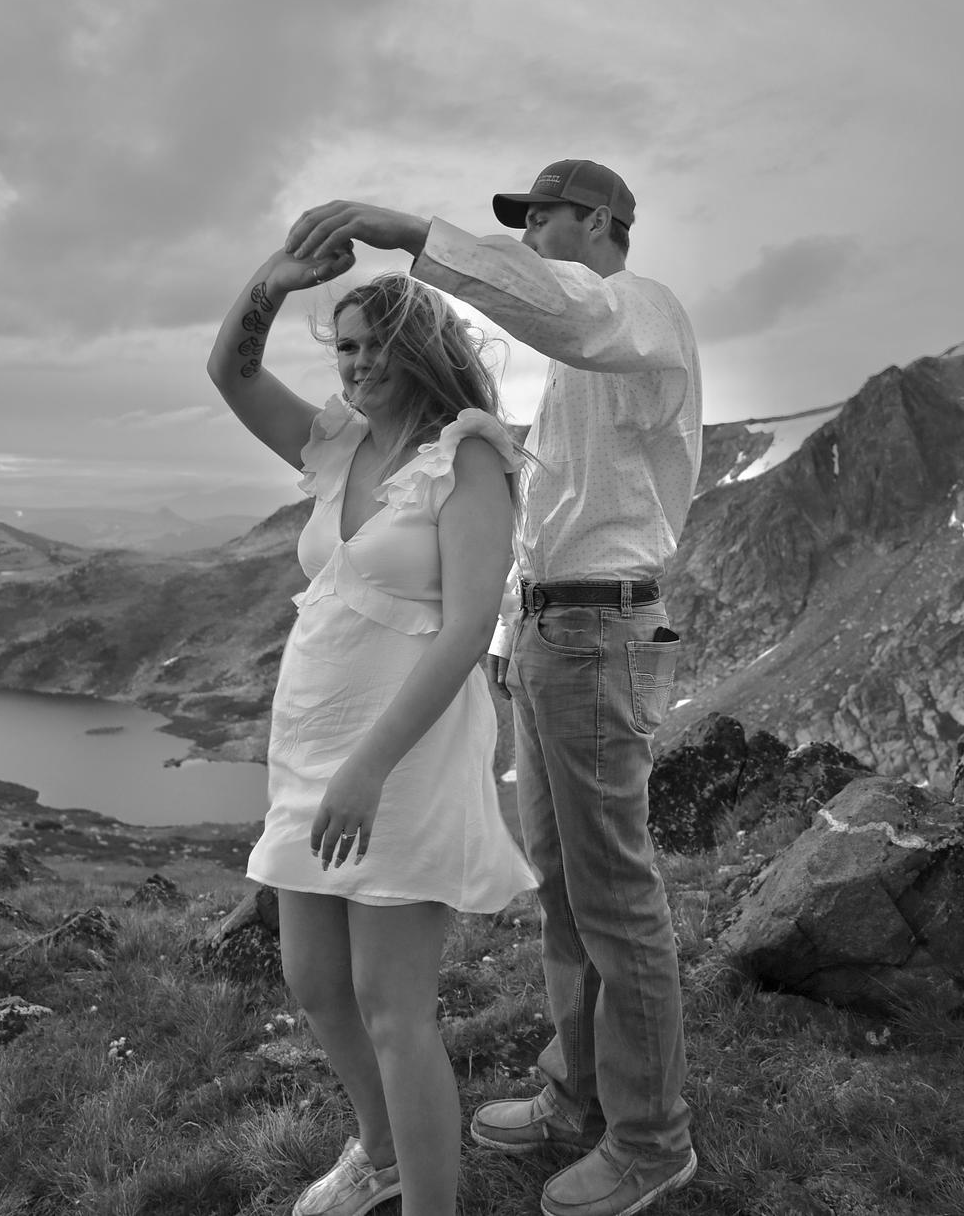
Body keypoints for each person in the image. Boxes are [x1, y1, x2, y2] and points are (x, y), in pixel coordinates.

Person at [285, 159, 703, 1216]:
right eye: (517, 222)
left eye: (541, 217)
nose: (526, 236)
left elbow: (562, 309)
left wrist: (407, 232)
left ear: (600, 222)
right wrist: (514, 634)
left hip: (599, 629)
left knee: (613, 895)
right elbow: (544, 514)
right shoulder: (575, 362)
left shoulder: (637, 314)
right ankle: (579, 1095)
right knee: (565, 887)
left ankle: (652, 1140)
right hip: (557, 631)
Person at [207, 248, 536, 1216]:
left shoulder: (467, 457)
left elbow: (468, 628)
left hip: (402, 756)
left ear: (419, 349)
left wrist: (369, 768)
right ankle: (382, 1155)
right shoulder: (337, 444)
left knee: (395, 1010)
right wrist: (273, 281)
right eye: (344, 347)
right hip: (312, 744)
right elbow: (230, 372)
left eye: (373, 348)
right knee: (314, 983)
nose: (354, 365)